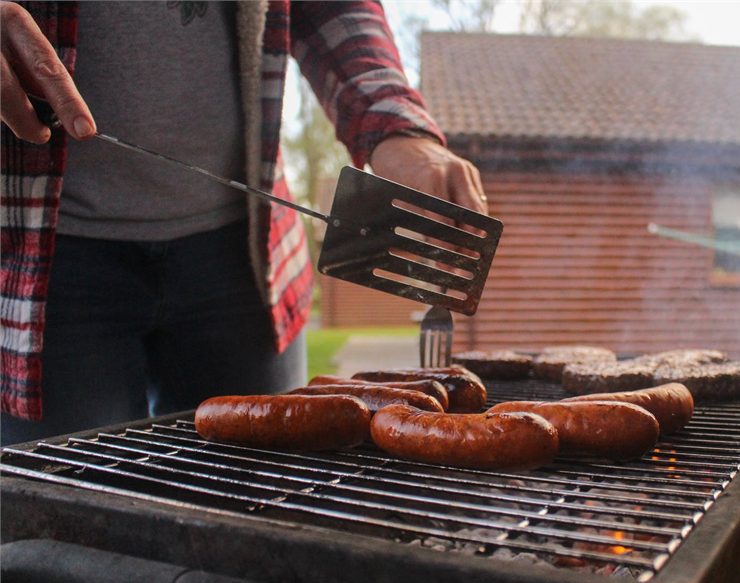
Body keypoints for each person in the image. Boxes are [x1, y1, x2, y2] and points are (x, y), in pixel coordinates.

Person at [0, 1, 487, 446]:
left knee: (266, 500)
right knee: (70, 515)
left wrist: (396, 127)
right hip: (37, 259)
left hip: (247, 254)